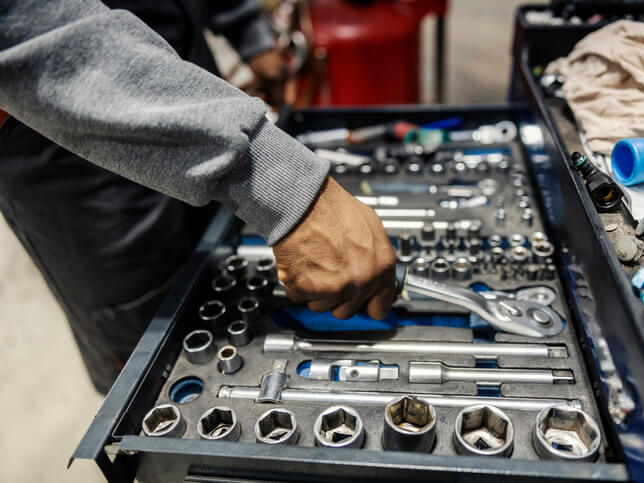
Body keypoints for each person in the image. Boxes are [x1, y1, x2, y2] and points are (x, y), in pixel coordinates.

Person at [0, 0, 396, 394]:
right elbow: (25, 26)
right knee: (154, 370)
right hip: (75, 163)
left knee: (224, 279)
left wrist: (246, 29)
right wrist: (284, 185)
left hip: (186, 80)